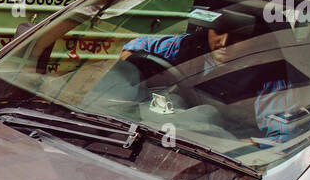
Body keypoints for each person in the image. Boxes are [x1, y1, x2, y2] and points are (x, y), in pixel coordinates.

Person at [119, 13, 292, 144]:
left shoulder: (268, 79)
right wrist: (130, 58)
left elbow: (282, 137)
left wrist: (244, 147)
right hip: (161, 133)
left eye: (238, 36)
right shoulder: (190, 46)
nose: (224, 42)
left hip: (212, 149)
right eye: (218, 32)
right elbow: (139, 45)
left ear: (254, 40)